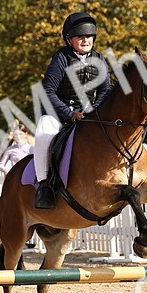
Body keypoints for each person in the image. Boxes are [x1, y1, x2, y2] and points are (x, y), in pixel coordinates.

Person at [33, 11, 112, 209]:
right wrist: (69, 114)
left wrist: (93, 110)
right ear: (69, 40)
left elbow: (106, 89)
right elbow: (47, 90)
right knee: (43, 133)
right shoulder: (61, 58)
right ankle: (44, 186)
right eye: (81, 37)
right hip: (58, 114)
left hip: (87, 115)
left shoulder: (99, 59)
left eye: (89, 36)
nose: (86, 40)